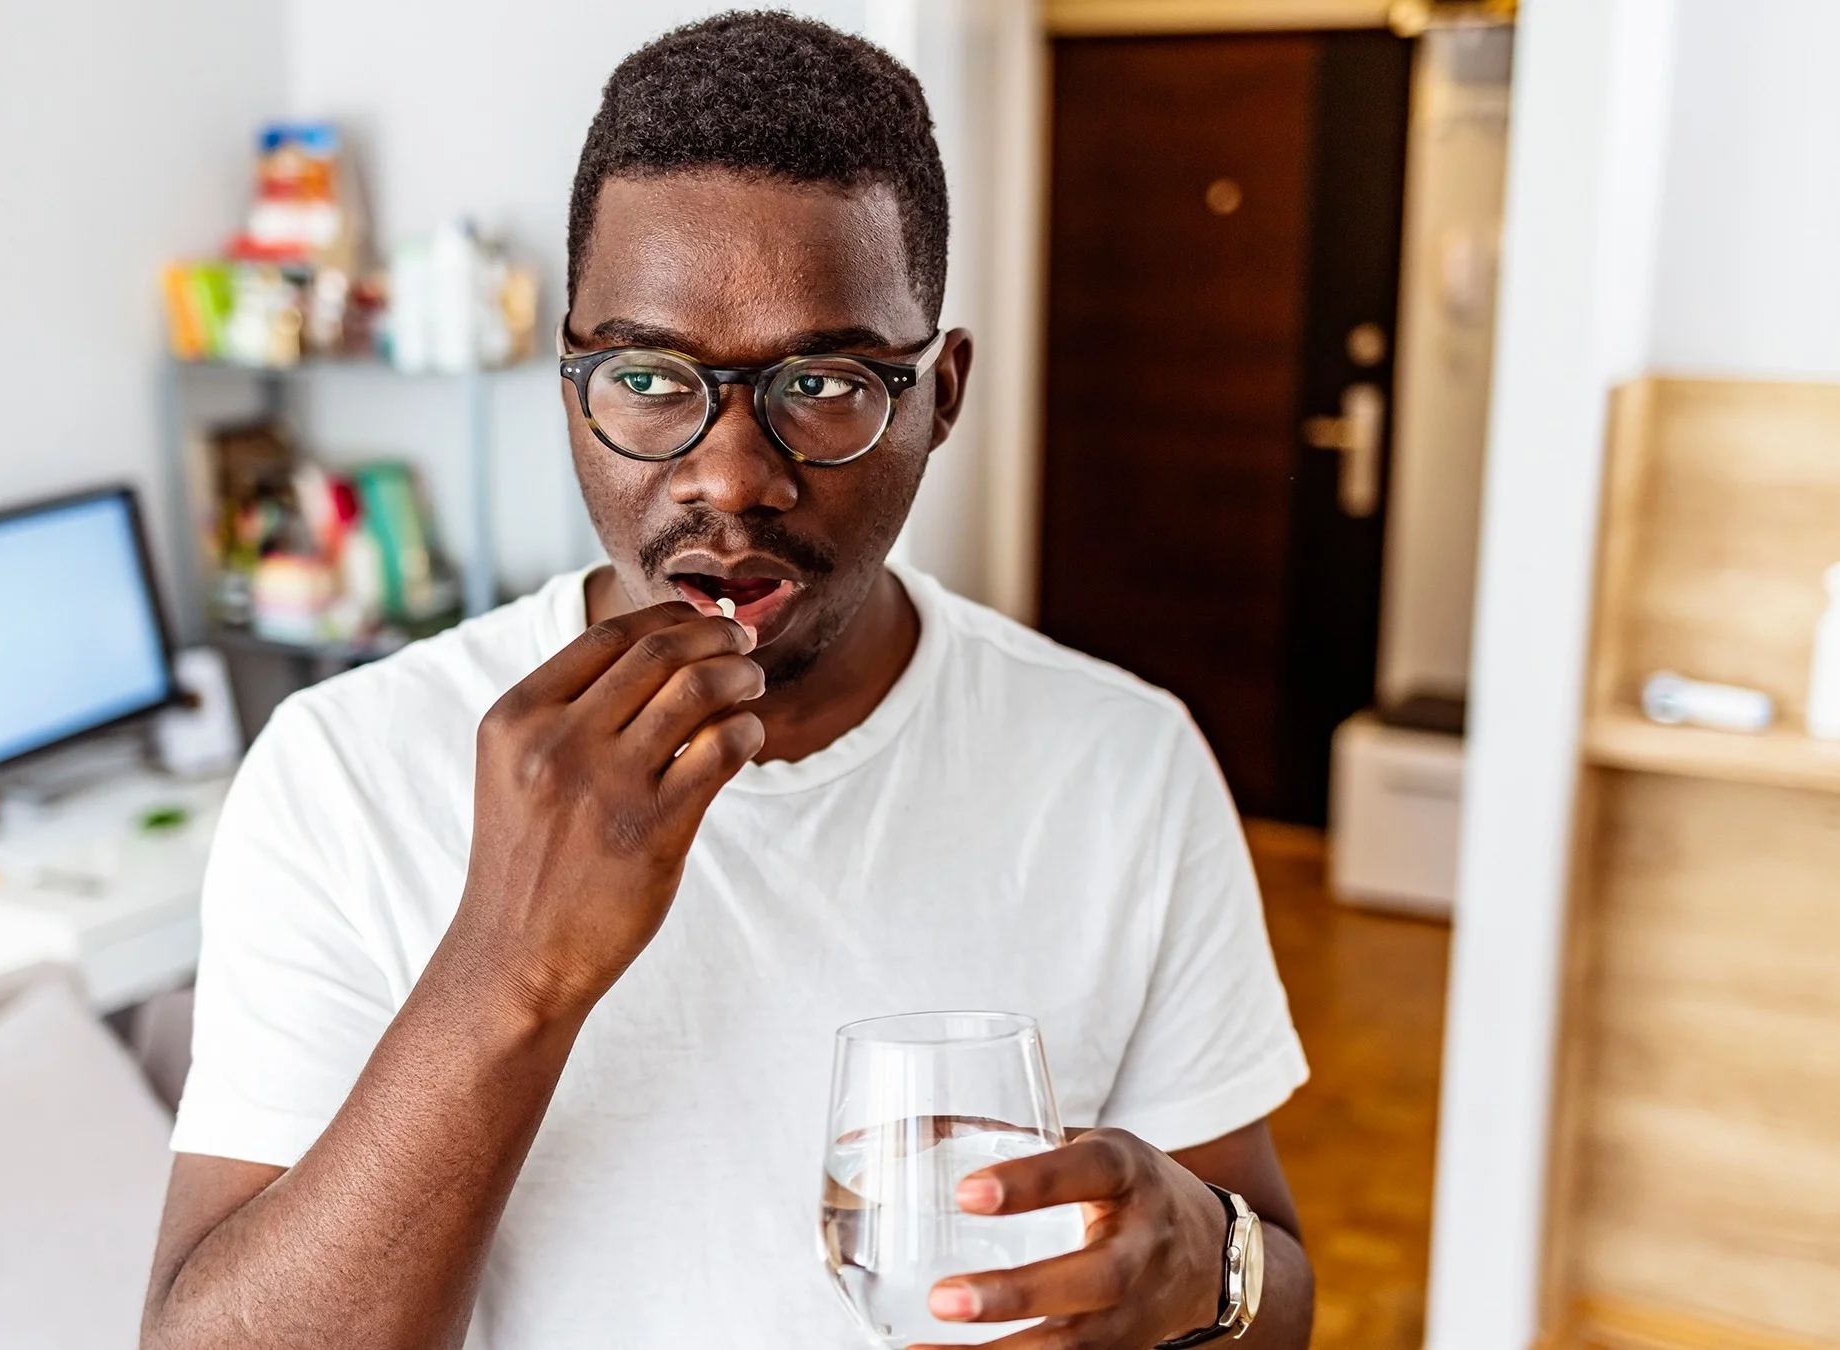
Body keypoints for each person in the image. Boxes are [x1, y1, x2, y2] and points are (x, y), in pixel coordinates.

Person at [142, 13, 1314, 1349]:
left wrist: (1210, 1269)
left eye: (824, 382)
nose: (730, 477)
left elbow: (1275, 1285)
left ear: (941, 394)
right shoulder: (344, 770)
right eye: (646, 377)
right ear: (568, 382)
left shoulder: (1123, 763)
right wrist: (509, 970)